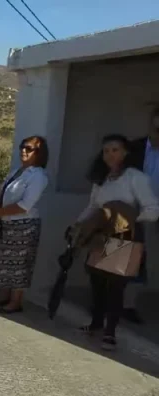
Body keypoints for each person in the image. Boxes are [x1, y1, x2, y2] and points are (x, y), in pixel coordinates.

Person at [71, 134, 159, 350]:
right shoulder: (102, 178)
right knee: (97, 281)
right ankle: (96, 324)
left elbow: (153, 209)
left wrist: (127, 219)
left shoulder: (135, 177)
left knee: (116, 287)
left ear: (126, 152)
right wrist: (78, 225)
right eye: (106, 150)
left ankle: (110, 332)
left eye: (115, 149)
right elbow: (93, 207)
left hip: (126, 238)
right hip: (101, 236)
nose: (110, 154)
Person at [0, 136, 49, 314]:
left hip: (24, 225)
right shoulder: (17, 171)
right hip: (7, 223)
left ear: (39, 153)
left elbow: (24, 205)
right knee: (5, 261)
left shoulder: (38, 176)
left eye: (29, 149)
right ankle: (4, 295)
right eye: (22, 147)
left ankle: (16, 301)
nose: (23, 151)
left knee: (20, 264)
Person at [124, 107, 159, 324]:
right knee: (116, 258)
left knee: (143, 264)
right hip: (129, 213)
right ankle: (104, 303)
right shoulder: (133, 149)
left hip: (154, 217)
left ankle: (128, 306)